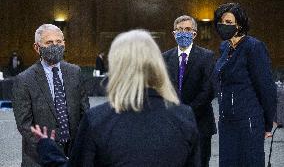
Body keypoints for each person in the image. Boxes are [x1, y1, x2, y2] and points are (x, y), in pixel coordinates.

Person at [31, 29, 201, 167]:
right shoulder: (184, 116)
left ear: (117, 66)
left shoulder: (97, 120)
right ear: (157, 64)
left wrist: (48, 149)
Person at [12, 24, 90, 167]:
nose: (55, 45)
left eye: (59, 42)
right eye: (49, 42)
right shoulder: (24, 80)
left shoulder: (75, 72)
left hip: (75, 156)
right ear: (37, 47)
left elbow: (85, 114)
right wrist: (49, 150)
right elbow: (24, 125)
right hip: (40, 159)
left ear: (64, 44)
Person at [213, 2, 277, 167]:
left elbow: (266, 87)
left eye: (229, 22)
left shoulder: (253, 47)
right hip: (227, 121)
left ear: (239, 24)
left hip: (248, 121)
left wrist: (268, 122)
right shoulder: (225, 47)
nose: (223, 25)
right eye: (221, 22)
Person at [163, 15, 216, 167]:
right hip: (172, 123)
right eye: (179, 30)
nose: (183, 33)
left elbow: (208, 90)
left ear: (194, 33)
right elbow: (162, 88)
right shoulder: (164, 58)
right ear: (174, 33)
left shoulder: (207, 57)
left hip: (200, 123)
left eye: (187, 29)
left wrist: (186, 112)